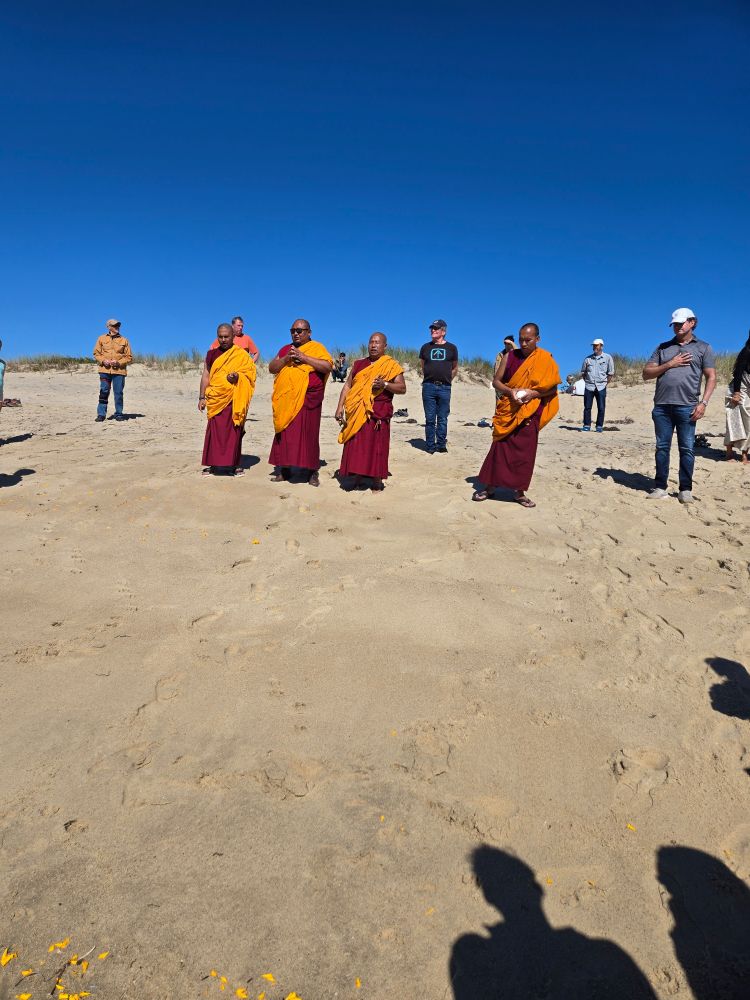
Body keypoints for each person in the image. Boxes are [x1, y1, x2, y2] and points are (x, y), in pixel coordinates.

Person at [472, 323, 560, 508]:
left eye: (528, 340)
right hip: (509, 409)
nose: (524, 343)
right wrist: (511, 391)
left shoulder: (545, 358)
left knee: (525, 454)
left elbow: (552, 387)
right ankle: (489, 487)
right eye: (521, 340)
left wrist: (533, 394)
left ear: (537, 339)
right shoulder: (510, 356)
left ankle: (519, 492)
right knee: (499, 447)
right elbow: (496, 382)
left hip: (530, 411)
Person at [642, 307, 716, 503]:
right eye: (674, 324)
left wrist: (704, 403)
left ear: (692, 322)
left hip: (688, 406)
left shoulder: (703, 348)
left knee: (687, 449)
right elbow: (646, 374)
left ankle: (685, 489)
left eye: (681, 323)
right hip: (662, 406)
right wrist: (670, 364)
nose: (677, 327)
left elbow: (711, 377)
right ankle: (660, 487)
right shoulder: (663, 347)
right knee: (662, 447)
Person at [335, 332, 406, 491]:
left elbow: (402, 388)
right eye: (371, 342)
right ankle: (357, 476)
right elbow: (348, 386)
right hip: (357, 410)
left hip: (377, 412)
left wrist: (385, 385)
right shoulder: (359, 364)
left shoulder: (391, 365)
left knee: (377, 447)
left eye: (377, 343)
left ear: (385, 346)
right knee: (357, 445)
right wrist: (340, 407)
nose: (373, 345)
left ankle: (376, 480)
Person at [268, 318, 333, 486]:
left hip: (309, 398)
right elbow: (271, 368)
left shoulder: (317, 348)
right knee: (287, 433)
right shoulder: (285, 349)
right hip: (287, 399)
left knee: (309, 434)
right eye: (293, 331)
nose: (296, 333)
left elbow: (327, 367)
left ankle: (312, 471)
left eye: (300, 330)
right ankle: (285, 469)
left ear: (309, 332)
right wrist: (285, 360)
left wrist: (304, 357)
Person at [198, 323, 256, 477]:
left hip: (234, 398)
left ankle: (235, 465)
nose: (223, 339)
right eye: (220, 337)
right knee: (214, 432)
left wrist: (238, 377)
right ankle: (213, 465)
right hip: (216, 398)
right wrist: (201, 397)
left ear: (233, 337)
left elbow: (250, 376)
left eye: (226, 336)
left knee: (234, 431)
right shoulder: (211, 355)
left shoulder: (241, 354)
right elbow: (206, 376)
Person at [419, 319, 458, 453]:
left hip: (445, 387)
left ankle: (441, 444)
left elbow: (454, 368)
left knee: (442, 418)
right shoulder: (425, 347)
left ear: (443, 331)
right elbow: (423, 366)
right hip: (429, 387)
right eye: (432, 328)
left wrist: (447, 380)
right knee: (430, 419)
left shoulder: (452, 348)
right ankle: (430, 445)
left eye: (436, 328)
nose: (433, 330)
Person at [93, 319, 133, 422]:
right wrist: (103, 361)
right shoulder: (101, 338)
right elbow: (96, 354)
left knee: (118, 393)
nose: (117, 327)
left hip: (119, 372)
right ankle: (101, 414)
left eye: (118, 325)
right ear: (109, 327)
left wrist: (118, 362)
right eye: (115, 325)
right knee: (104, 391)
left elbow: (129, 357)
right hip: (104, 371)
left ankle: (118, 414)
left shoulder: (124, 340)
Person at [725, 332, 750, 463]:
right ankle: (729, 454)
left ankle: (745, 454)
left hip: (748, 389)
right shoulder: (747, 351)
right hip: (739, 388)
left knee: (748, 422)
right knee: (733, 420)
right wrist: (736, 393)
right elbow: (738, 372)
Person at [581, 338, 614, 431]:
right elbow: (583, 372)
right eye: (594, 345)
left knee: (601, 407)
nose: (595, 347)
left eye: (597, 345)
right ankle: (586, 425)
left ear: (601, 346)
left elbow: (610, 373)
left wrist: (605, 383)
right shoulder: (587, 359)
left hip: (601, 386)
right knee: (587, 407)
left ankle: (599, 426)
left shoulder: (608, 358)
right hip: (589, 386)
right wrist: (588, 381)